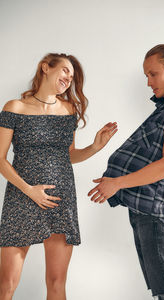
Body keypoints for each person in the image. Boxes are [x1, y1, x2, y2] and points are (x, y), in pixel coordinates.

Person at [0, 52, 118, 300]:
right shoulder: (15, 107)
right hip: (22, 198)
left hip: (60, 200)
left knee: (56, 282)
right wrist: (29, 190)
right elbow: (0, 159)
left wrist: (95, 147)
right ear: (45, 68)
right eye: (65, 70)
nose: (68, 78)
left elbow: (69, 156)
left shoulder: (69, 110)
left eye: (72, 76)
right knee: (7, 283)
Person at [88, 44, 164, 299]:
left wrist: (117, 183)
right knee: (163, 292)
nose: (148, 83)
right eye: (146, 76)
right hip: (146, 210)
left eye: (153, 74)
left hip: (157, 213)